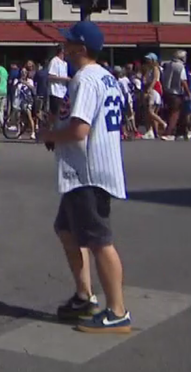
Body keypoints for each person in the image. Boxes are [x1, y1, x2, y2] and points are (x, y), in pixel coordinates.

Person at [40, 21, 132, 334]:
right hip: (86, 170)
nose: (64, 47)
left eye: (69, 43)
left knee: (98, 240)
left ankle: (117, 310)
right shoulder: (106, 77)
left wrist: (50, 133)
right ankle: (84, 295)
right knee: (66, 229)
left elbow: (80, 128)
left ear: (81, 48)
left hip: (88, 171)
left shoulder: (86, 78)